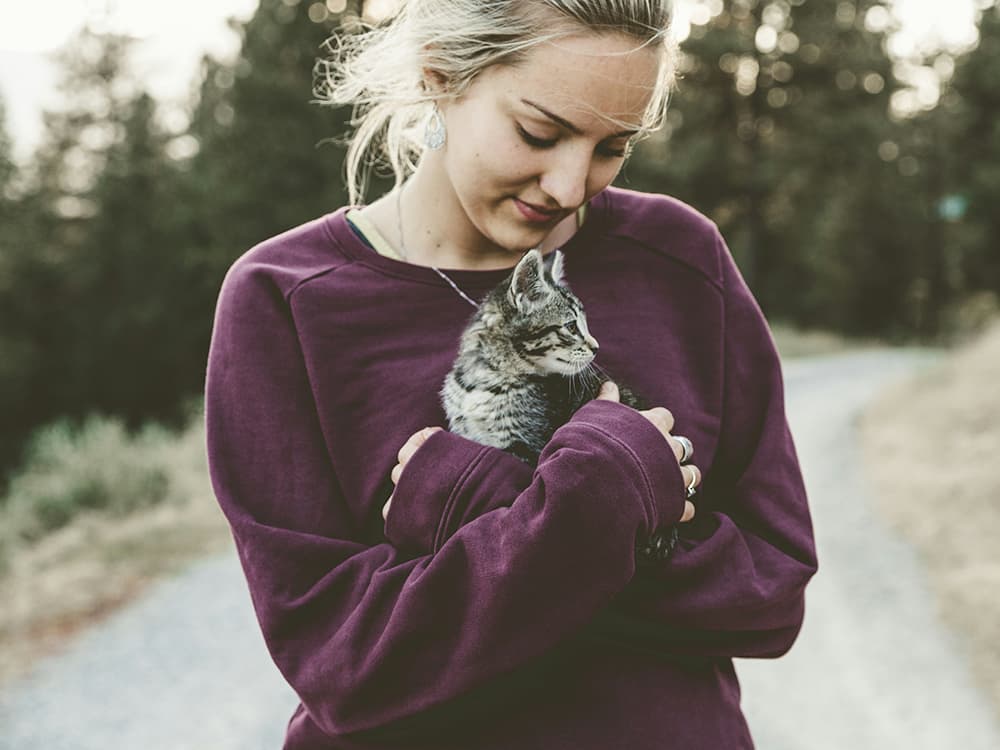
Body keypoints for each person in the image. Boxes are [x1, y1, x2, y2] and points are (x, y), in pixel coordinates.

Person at [204, 1, 818, 748]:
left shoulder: (679, 259)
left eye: (612, 147)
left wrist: (482, 504)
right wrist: (599, 502)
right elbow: (346, 665)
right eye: (540, 132)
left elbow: (770, 592)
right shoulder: (286, 297)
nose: (568, 185)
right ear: (440, 75)